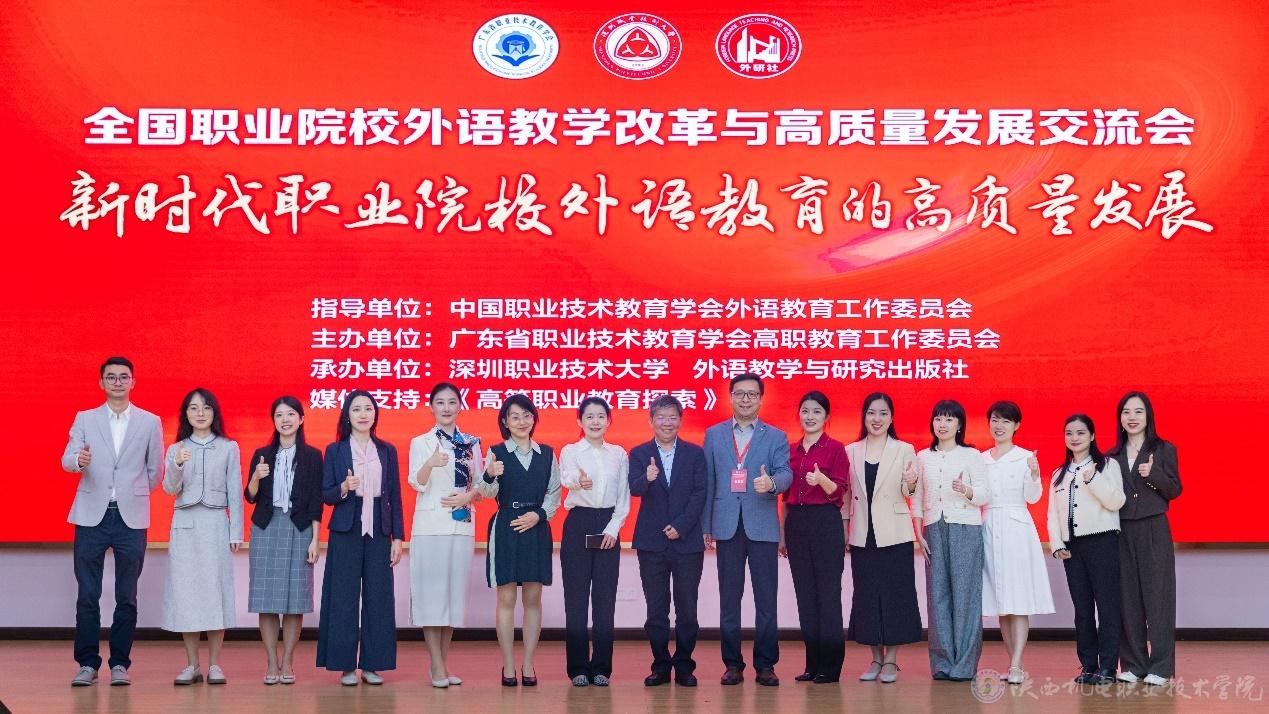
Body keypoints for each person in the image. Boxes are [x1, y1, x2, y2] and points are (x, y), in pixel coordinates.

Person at [62, 357, 164, 687]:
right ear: (101, 383)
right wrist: (79, 460)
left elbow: (155, 470)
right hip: (91, 514)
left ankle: (120, 663)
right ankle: (87, 664)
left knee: (127, 596)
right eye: (111, 377)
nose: (117, 382)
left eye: (123, 377)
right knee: (87, 594)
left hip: (130, 517)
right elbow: (66, 459)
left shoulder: (150, 421)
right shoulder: (85, 418)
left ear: (133, 382)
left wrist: (132, 492)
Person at [701, 373, 793, 687]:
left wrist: (772, 483)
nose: (745, 399)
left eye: (752, 394)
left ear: (760, 399)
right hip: (726, 525)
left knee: (766, 599)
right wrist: (706, 525)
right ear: (730, 397)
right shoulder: (713, 434)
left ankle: (766, 665)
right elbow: (708, 481)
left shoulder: (776, 436)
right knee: (729, 599)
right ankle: (732, 665)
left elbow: (786, 473)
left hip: (762, 525)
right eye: (740, 393)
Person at [316, 390, 405, 686]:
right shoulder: (335, 450)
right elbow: (326, 494)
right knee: (343, 598)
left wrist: (397, 537)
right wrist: (344, 487)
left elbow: (394, 495)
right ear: (347, 415)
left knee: (379, 597)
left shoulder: (387, 450)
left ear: (375, 414)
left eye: (368, 408)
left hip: (380, 528)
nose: (363, 414)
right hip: (346, 528)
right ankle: (344, 666)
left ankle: (372, 665)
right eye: (357, 409)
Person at [161, 388, 244, 685]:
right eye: (194, 408)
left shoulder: (228, 447)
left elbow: (235, 490)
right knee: (187, 594)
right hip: (185, 524)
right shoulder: (177, 448)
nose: (200, 413)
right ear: (186, 414)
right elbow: (169, 489)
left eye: (206, 407)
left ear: (214, 413)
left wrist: (236, 531)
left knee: (216, 592)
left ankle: (215, 665)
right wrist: (177, 464)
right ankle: (192, 664)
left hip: (215, 523)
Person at [478, 394, 562, 687]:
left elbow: (554, 494)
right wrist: (489, 475)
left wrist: (539, 515)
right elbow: (485, 493)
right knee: (506, 599)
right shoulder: (496, 452)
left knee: (533, 599)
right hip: (506, 526)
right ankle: (508, 666)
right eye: (515, 417)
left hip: (536, 527)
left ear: (534, 419)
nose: (522, 422)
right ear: (505, 421)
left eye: (527, 416)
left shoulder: (547, 453)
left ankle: (528, 665)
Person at [628, 395, 707, 687]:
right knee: (656, 611)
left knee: (687, 609)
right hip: (651, 543)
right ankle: (660, 665)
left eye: (672, 417)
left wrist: (682, 526)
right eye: (660, 417)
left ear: (680, 420)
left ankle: (684, 666)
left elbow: (700, 492)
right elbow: (634, 489)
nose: (667, 422)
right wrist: (647, 478)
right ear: (651, 421)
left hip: (687, 543)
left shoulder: (694, 453)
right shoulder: (639, 453)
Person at [407, 382, 483, 688]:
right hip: (430, 528)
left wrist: (469, 496)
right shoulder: (420, 442)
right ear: (431, 407)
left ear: (460, 406)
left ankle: (441, 663)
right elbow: (416, 483)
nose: (447, 408)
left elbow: (480, 486)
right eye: (440, 402)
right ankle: (436, 665)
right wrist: (430, 463)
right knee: (431, 598)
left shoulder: (471, 443)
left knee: (453, 598)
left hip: (461, 526)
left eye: (452, 402)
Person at [244, 396, 323, 685]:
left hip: (299, 528)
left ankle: (288, 661)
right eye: (279, 415)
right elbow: (250, 495)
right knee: (266, 600)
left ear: (301, 419)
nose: (285, 420)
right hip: (266, 527)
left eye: (291, 414)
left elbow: (316, 500)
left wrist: (315, 539)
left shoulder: (313, 456)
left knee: (294, 600)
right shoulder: (262, 454)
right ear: (274, 421)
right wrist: (256, 476)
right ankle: (270, 661)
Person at [844, 392, 922, 684]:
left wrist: (911, 482)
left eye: (883, 413)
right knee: (867, 597)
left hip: (895, 534)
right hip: (863, 534)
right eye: (871, 413)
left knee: (896, 596)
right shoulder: (851, 450)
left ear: (891, 418)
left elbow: (910, 491)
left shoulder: (904, 449)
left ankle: (891, 660)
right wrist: (845, 529)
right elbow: (845, 495)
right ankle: (876, 658)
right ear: (864, 416)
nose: (876, 419)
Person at [1107, 391, 1182, 686]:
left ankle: (1161, 667)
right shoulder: (1111, 456)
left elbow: (1174, 490)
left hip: (1154, 529)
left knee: (1158, 598)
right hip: (1121, 530)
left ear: (1148, 416)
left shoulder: (1163, 449)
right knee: (1127, 599)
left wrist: (1154, 474)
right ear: (1120, 418)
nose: (1132, 417)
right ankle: (1134, 664)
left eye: (1138, 411)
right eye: (1126, 412)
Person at [913, 399, 989, 682]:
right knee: (937, 597)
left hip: (965, 528)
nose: (942, 424)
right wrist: (918, 532)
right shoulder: (923, 457)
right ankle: (942, 663)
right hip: (933, 528)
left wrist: (966, 490)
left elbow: (985, 494)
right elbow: (917, 498)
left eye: (948, 419)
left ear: (959, 425)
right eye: (938, 418)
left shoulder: (971, 455)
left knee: (966, 597)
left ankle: (965, 664)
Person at [1047, 414, 1127, 685]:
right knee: (1082, 610)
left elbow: (1116, 501)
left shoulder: (1107, 465)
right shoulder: (1058, 474)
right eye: (1069, 433)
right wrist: (1057, 544)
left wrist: (1093, 479)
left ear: (1092, 436)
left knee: (1107, 607)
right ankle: (1088, 666)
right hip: (1072, 548)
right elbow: (1052, 514)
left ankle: (1108, 667)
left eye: (1081, 432)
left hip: (1102, 542)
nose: (1074, 438)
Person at [980, 401, 1054, 685]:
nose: (999, 426)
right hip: (989, 526)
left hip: (1016, 530)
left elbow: (1033, 497)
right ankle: (1015, 663)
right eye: (995, 420)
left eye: (1006, 421)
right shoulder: (981, 459)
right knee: (1002, 601)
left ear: (1016, 426)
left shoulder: (1025, 457)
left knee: (1018, 598)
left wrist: (1034, 474)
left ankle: (1015, 664)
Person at [559, 396, 631, 687]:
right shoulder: (570, 451)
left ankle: (601, 667)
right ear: (579, 421)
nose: (595, 421)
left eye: (601, 416)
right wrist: (579, 482)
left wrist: (613, 528)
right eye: (589, 416)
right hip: (578, 523)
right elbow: (566, 477)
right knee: (575, 599)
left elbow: (623, 495)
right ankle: (577, 667)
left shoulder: (619, 454)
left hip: (608, 525)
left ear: (609, 421)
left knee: (604, 599)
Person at [778, 391, 849, 684]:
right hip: (797, 523)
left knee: (828, 596)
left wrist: (822, 480)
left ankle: (830, 667)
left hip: (825, 522)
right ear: (799, 415)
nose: (810, 416)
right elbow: (785, 498)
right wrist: (783, 536)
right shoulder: (790, 450)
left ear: (826, 417)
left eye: (817, 411)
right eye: (805, 411)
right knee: (805, 596)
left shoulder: (836, 448)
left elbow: (840, 491)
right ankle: (812, 664)